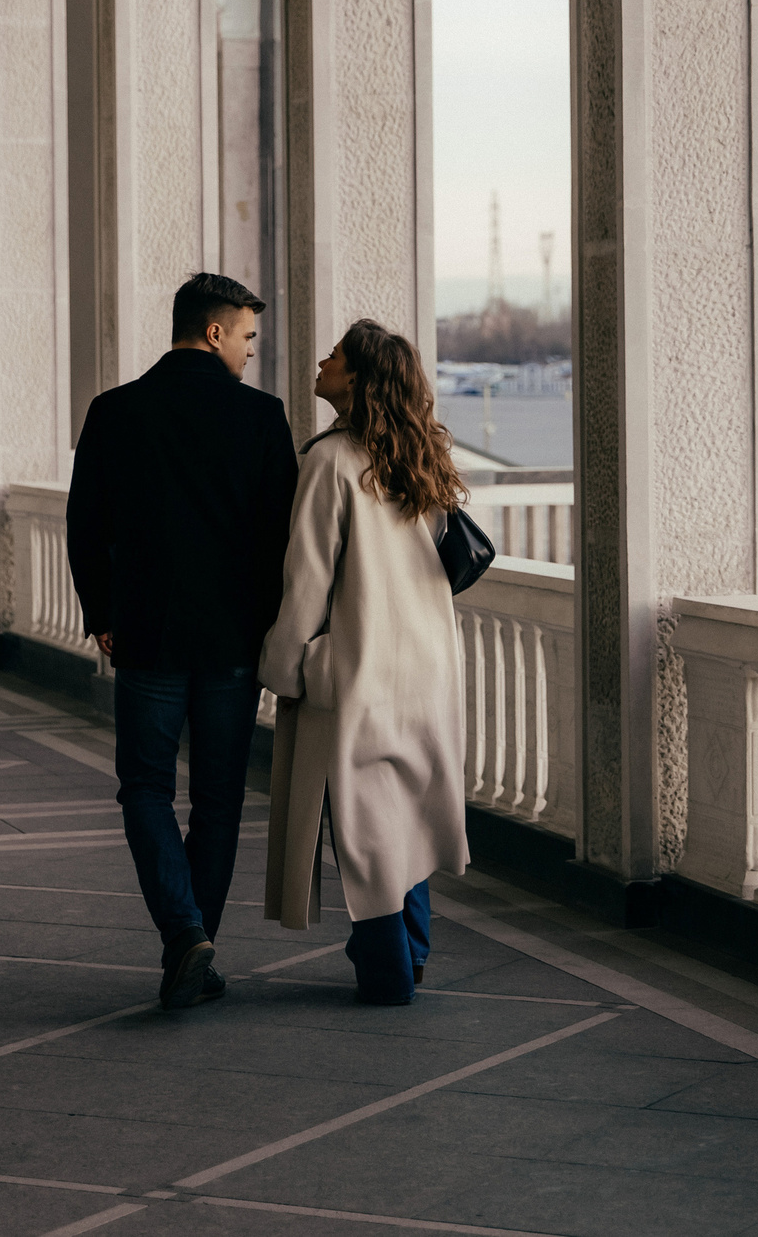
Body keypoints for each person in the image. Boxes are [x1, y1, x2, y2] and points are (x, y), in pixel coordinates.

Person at [69, 272, 298, 1010]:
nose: (249, 351)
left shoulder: (114, 411)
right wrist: (265, 620)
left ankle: (184, 934)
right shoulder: (263, 418)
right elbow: (283, 538)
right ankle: (195, 938)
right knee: (220, 800)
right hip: (233, 641)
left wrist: (101, 610)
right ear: (214, 332)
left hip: (147, 632)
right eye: (247, 336)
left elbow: (85, 525)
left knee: (144, 787)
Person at [259, 319, 471, 1004]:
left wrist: (283, 668)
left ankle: (387, 970)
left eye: (335, 357)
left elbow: (307, 580)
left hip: (360, 666)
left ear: (355, 379)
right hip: (427, 664)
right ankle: (409, 954)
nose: (321, 361)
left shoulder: (328, 461)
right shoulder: (421, 454)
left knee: (366, 825)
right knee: (401, 813)